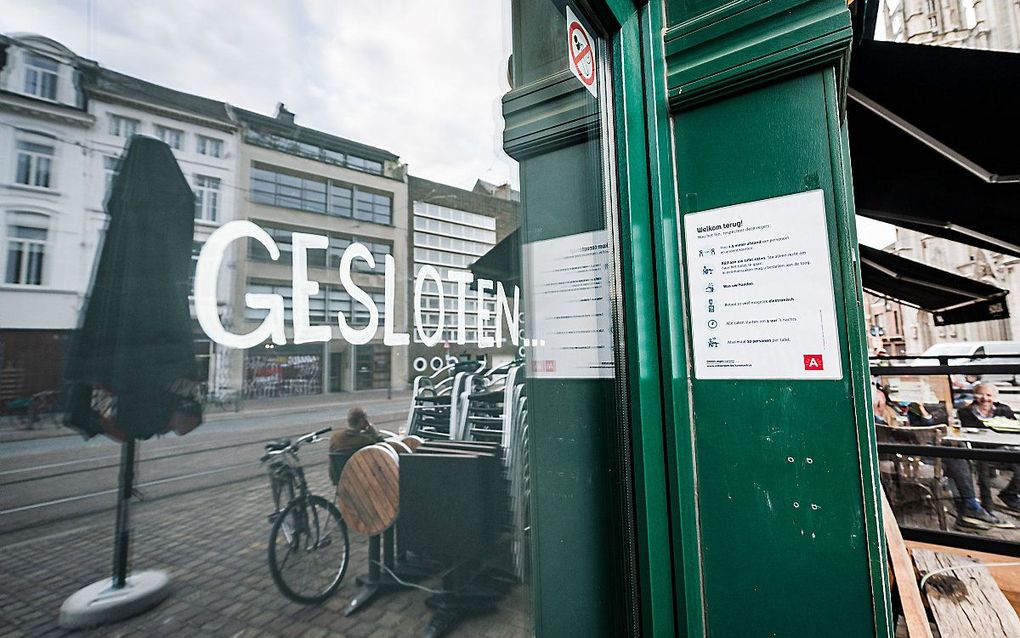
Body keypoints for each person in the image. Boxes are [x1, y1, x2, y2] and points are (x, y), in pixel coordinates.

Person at [957, 383, 1020, 514]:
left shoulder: (1004, 410)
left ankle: (1010, 494)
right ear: (974, 395)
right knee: (983, 464)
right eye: (980, 394)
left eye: (989, 395)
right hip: (980, 451)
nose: (985, 398)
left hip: (1003, 448)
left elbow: (1014, 429)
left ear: (995, 397)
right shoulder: (965, 412)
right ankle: (987, 506)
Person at [328, 406, 386, 484]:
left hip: (339, 479)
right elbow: (383, 449)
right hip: (359, 480)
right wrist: (374, 433)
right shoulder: (365, 440)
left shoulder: (335, 437)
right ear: (362, 421)